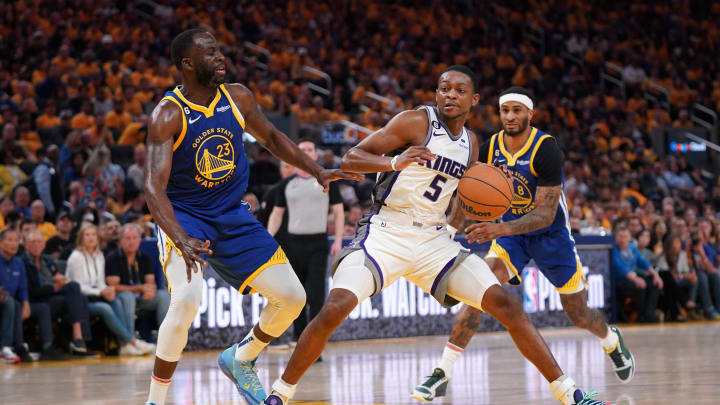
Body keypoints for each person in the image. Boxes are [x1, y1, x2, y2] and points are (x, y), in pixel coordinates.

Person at [264, 67, 610, 405]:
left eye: (459, 90)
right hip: (387, 232)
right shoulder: (415, 121)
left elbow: (462, 201)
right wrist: (394, 162)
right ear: (436, 94)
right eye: (444, 88)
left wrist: (482, 217)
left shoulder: (472, 144)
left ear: (473, 100)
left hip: (434, 239)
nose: (450, 95)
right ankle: (280, 393)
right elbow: (351, 158)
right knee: (335, 307)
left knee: (505, 304)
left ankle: (571, 395)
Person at [143, 29, 361, 405]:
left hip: (231, 215)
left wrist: (316, 169)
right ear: (187, 64)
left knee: (293, 297)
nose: (220, 58)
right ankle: (155, 400)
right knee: (187, 299)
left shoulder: (238, 97)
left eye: (220, 51)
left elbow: (274, 140)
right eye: (210, 53)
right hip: (186, 217)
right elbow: (152, 187)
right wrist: (179, 237)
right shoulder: (168, 113)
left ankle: (240, 358)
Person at [414, 86, 635, 402]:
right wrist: (449, 229)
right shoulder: (490, 147)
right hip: (511, 239)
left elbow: (545, 214)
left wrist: (497, 227)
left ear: (530, 114)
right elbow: (469, 191)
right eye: (506, 111)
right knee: (480, 292)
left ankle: (610, 338)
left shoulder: (546, 149)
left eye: (517, 110)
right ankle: (442, 373)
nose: (511, 116)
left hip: (552, 238)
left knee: (579, 314)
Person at [267, 137, 345, 344]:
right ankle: (299, 337)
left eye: (310, 149)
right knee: (296, 295)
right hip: (292, 245)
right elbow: (276, 215)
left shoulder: (326, 181)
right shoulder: (286, 185)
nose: (307, 152)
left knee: (316, 295)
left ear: (315, 155)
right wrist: (268, 239)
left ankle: (315, 339)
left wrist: (337, 240)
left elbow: (338, 211)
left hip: (318, 244)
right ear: (295, 154)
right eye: (302, 149)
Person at [65, 223, 153, 356]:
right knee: (105, 308)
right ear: (81, 238)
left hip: (97, 295)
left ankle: (125, 345)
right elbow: (78, 287)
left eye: (93, 235)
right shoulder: (76, 257)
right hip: (80, 301)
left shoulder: (99, 255)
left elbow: (100, 282)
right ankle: (132, 341)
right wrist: (101, 292)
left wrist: (108, 290)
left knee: (117, 301)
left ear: (98, 238)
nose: (91, 238)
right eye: (87, 235)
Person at [0, 228, 67, 362]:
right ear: (1, 243)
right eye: (9, 240)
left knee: (24, 305)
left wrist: (26, 303)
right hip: (6, 301)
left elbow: (23, 287)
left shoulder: (18, 262)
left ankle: (26, 346)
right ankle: (5, 347)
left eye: (15, 240)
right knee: (11, 302)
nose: (14, 244)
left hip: (14, 301)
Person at [22, 229, 93, 355]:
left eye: (39, 242)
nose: (36, 245)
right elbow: (30, 291)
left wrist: (61, 280)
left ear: (44, 244)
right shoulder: (23, 262)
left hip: (52, 298)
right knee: (76, 295)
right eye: (32, 242)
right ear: (26, 244)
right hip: (37, 300)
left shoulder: (47, 260)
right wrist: (54, 288)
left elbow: (57, 276)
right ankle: (79, 339)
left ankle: (78, 340)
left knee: (78, 296)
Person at [105, 223, 170, 339]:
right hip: (121, 299)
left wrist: (150, 291)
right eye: (128, 238)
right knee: (128, 296)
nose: (132, 241)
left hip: (142, 298)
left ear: (140, 240)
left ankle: (165, 340)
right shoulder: (113, 258)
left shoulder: (145, 257)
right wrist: (139, 288)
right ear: (121, 241)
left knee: (164, 296)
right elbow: (113, 287)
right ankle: (130, 340)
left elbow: (151, 283)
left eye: (135, 238)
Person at [612, 224, 663, 322]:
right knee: (640, 286)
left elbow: (643, 262)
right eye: (620, 236)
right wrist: (636, 279)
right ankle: (640, 316)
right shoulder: (613, 249)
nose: (623, 239)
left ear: (630, 238)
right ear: (616, 237)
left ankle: (649, 313)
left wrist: (656, 275)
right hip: (620, 280)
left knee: (655, 283)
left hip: (633, 276)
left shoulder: (632, 248)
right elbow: (619, 268)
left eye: (625, 236)